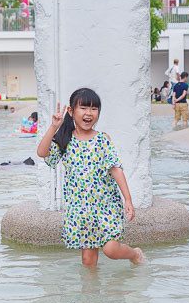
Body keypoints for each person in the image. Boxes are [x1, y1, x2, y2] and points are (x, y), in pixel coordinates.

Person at [37, 88, 145, 267]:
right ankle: (91, 294)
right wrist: (54, 126)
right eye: (84, 108)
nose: (89, 113)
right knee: (88, 261)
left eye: (94, 109)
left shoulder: (102, 139)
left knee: (110, 250)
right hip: (80, 210)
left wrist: (128, 199)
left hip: (106, 206)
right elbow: (42, 153)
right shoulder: (65, 140)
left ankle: (134, 253)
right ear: (71, 111)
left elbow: (116, 169)